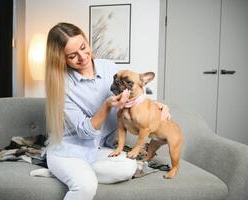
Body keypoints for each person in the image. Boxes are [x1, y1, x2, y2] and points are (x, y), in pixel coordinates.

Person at [45, 22, 171, 200]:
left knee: (128, 168)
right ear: (61, 59)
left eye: (83, 47)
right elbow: (84, 131)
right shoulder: (61, 84)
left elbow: (134, 93)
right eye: (72, 55)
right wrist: (106, 106)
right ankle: (70, 172)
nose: (83, 57)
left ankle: (71, 174)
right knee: (86, 187)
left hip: (98, 150)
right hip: (69, 150)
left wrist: (157, 105)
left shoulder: (109, 67)